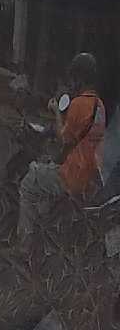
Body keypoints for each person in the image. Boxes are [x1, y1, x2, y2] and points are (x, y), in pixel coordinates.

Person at [18, 52, 107, 245]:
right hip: (89, 175)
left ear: (79, 78)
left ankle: (24, 246)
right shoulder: (99, 106)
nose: (71, 82)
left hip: (72, 175)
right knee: (48, 164)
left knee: (29, 183)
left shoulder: (79, 103)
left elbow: (64, 138)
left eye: (73, 78)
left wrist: (56, 111)